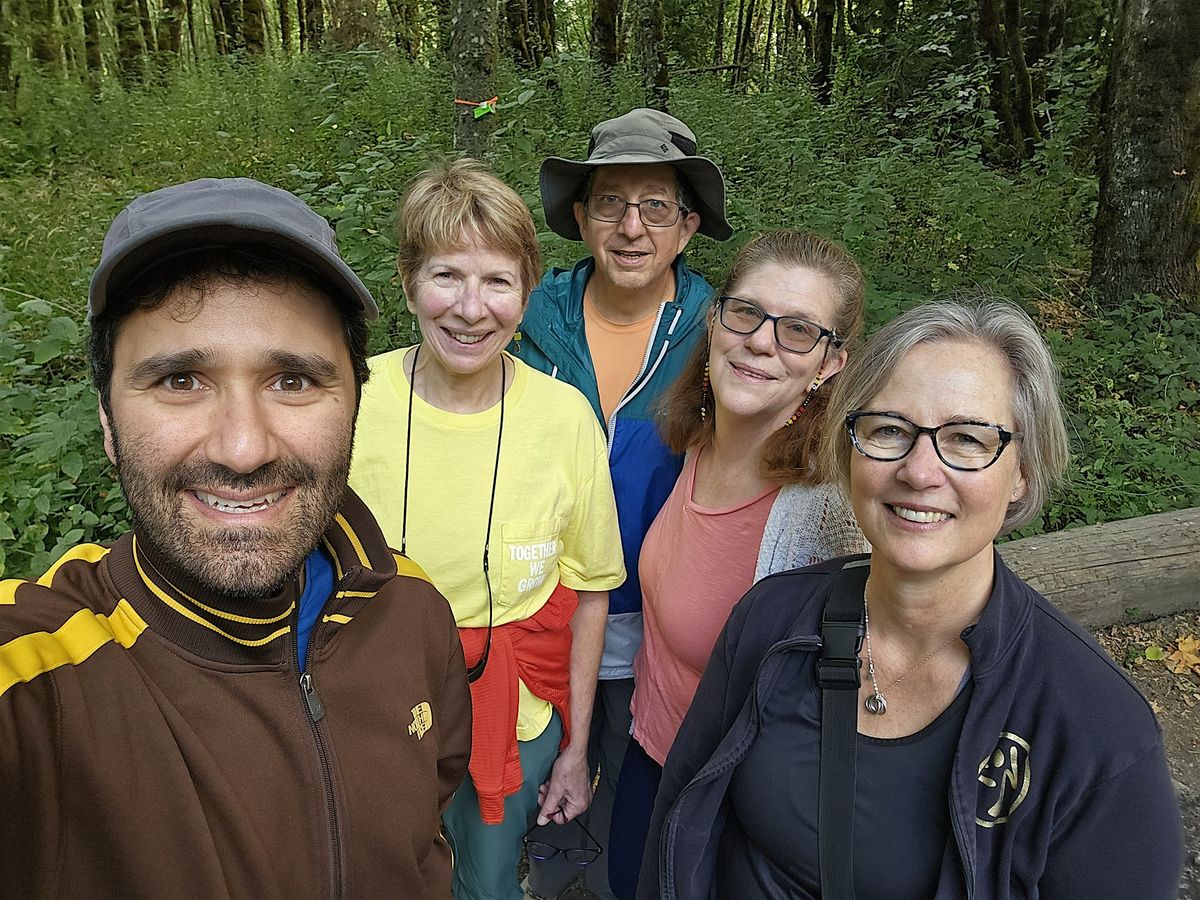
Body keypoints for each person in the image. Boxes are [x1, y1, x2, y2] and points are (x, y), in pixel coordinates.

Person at [0, 178, 473, 898]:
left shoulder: (412, 609)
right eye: (181, 379)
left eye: (292, 381)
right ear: (105, 420)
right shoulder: (35, 674)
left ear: (352, 402)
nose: (244, 448)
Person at [640, 299, 1184, 899]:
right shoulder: (771, 622)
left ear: (1023, 471)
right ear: (851, 448)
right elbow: (679, 832)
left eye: (967, 439)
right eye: (890, 430)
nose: (920, 471)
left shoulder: (1093, 726)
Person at [348, 159, 625, 900]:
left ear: (527, 294)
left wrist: (573, 750)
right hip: (370, 707)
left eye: (498, 281)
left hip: (513, 713)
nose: (472, 308)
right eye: (447, 276)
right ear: (408, 282)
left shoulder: (565, 417)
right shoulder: (350, 401)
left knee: (491, 884)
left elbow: (590, 591)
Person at [608, 230, 870, 898]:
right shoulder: (690, 446)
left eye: (799, 330)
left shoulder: (833, 513)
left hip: (736, 808)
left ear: (830, 363)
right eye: (747, 312)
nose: (761, 341)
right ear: (715, 318)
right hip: (650, 757)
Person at [513, 108, 732, 896]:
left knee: (641, 786)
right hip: (540, 604)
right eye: (610, 202)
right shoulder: (524, 320)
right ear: (580, 217)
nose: (631, 227)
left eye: (656, 207)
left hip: (662, 622)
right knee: (540, 784)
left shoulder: (721, 333)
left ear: (687, 226)